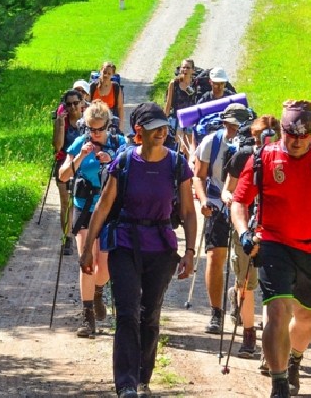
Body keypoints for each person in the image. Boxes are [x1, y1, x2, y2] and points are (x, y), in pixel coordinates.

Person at [230, 100, 311, 398]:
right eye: (291, 134)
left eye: (305, 135)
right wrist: (244, 232)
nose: (298, 141)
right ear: (282, 130)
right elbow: (239, 201)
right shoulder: (265, 157)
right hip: (274, 242)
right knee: (277, 310)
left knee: (305, 316)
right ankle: (279, 383)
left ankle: (294, 359)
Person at [80, 102, 197, 398]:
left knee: (150, 314)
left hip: (161, 249)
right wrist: (89, 248)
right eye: (154, 128)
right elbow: (103, 206)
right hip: (125, 245)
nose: (161, 133)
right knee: (127, 313)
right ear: (139, 131)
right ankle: (126, 384)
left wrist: (190, 251)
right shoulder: (124, 162)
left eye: (163, 128)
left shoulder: (177, 164)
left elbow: (187, 210)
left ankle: (144, 377)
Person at [58, 100, 126, 338]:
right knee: (86, 261)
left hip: (108, 208)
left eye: (99, 129)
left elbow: (129, 172)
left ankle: (98, 290)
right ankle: (87, 316)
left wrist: (112, 160)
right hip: (84, 205)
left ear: (108, 125)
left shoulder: (119, 143)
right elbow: (63, 175)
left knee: (103, 267)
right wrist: (79, 157)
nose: (95, 134)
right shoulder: (80, 143)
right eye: (91, 129)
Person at [221, 115, 281, 360]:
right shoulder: (243, 156)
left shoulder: (286, 160)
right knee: (246, 283)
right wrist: (230, 199)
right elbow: (228, 189)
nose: (261, 143)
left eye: (267, 138)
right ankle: (248, 334)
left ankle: (269, 345)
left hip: (275, 231)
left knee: (272, 288)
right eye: (258, 138)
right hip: (246, 228)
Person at [193, 102, 253, 334]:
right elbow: (199, 175)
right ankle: (216, 313)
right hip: (217, 204)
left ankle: (238, 297)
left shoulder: (252, 146)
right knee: (215, 256)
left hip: (245, 207)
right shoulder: (211, 142)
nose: (236, 129)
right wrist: (203, 200)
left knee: (244, 260)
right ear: (225, 123)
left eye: (240, 125)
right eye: (233, 125)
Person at [52, 89, 85, 256]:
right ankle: (67, 238)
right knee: (65, 203)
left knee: (80, 202)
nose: (72, 107)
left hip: (84, 166)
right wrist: (59, 124)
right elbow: (58, 146)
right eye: (69, 104)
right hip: (65, 164)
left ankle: (83, 233)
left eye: (75, 103)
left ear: (82, 103)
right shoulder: (62, 122)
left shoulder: (88, 121)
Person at [163, 58, 197, 155]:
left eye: (188, 68)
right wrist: (164, 120)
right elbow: (168, 103)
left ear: (193, 70)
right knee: (177, 145)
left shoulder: (195, 84)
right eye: (183, 67)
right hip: (177, 118)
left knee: (189, 146)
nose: (185, 70)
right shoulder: (174, 83)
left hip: (190, 119)